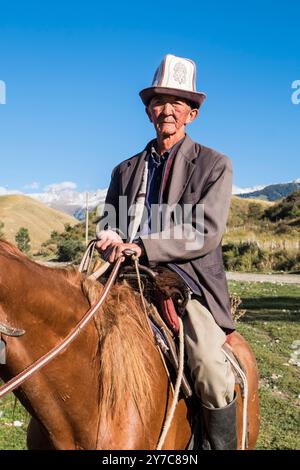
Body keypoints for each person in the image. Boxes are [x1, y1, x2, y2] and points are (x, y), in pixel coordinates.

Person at [96, 54, 237, 450]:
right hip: (124, 276)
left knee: (210, 369)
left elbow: (205, 230)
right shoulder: (123, 170)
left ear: (192, 113)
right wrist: (109, 237)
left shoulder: (213, 165)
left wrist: (142, 245)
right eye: (159, 101)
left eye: (178, 103)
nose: (167, 110)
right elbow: (112, 221)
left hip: (185, 282)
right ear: (148, 111)